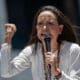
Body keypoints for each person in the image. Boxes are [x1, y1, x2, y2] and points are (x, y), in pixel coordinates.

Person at [0, 5, 80, 80]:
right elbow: (6, 72)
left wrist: (57, 72)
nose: (44, 28)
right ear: (37, 28)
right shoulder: (32, 50)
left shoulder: (73, 50)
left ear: (60, 29)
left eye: (50, 23)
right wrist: (7, 40)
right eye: (40, 24)